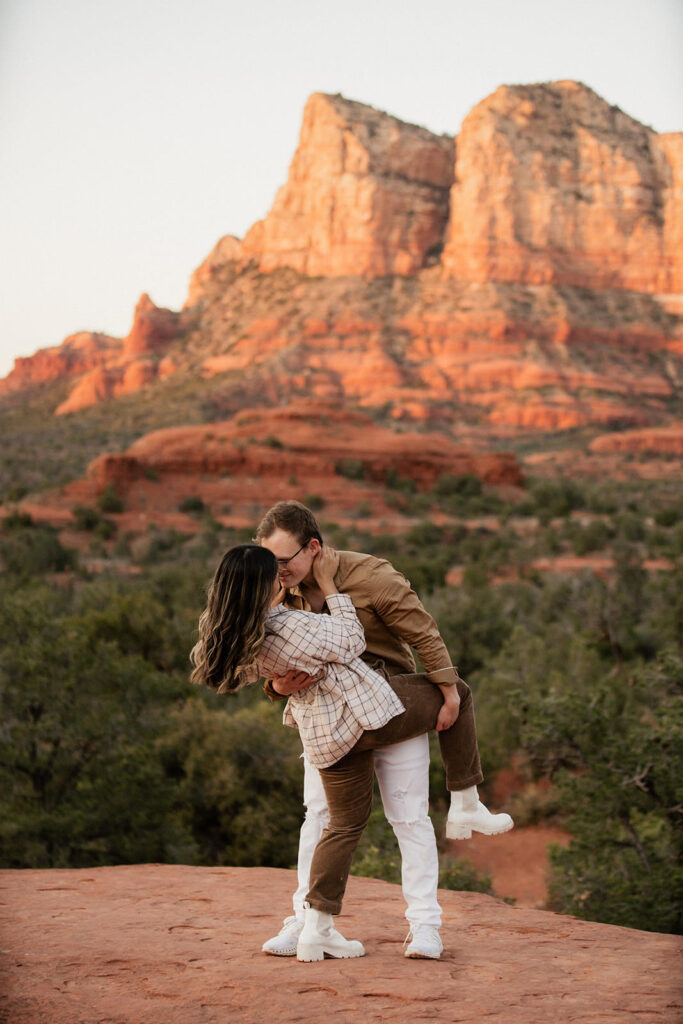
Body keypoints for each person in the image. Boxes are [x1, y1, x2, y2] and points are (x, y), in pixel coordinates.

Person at [191, 542, 510, 962]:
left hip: (327, 737)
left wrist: (275, 684)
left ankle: (317, 929)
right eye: (275, 572)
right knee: (459, 694)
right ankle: (467, 801)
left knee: (342, 826)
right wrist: (329, 587)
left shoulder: (231, 633)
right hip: (370, 713)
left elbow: (233, 672)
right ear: (259, 586)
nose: (282, 578)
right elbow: (350, 639)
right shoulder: (289, 623)